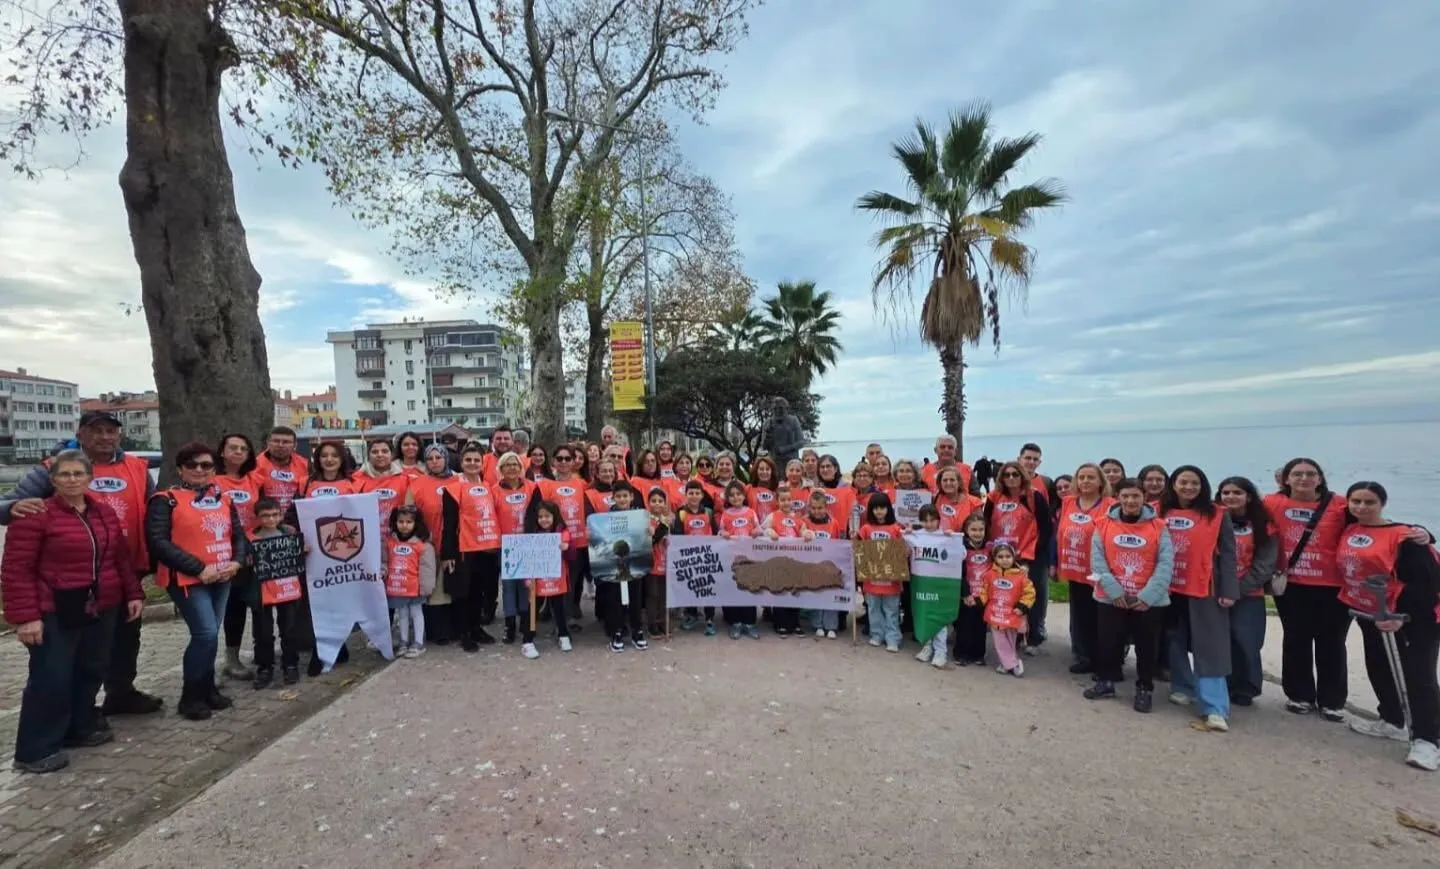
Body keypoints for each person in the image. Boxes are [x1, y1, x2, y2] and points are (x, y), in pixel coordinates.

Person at [0, 410, 162, 717]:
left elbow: (153, 512)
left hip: (125, 569)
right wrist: (13, 506)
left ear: (119, 435)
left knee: (125, 639)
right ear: (82, 433)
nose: (104, 437)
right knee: (80, 651)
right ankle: (73, 714)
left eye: (110, 431)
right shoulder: (54, 468)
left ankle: (121, 693)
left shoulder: (138, 468)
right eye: (96, 430)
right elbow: (5, 507)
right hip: (73, 581)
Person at [3, 451, 145, 774]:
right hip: (55, 607)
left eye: (77, 474)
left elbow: (119, 559)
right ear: (52, 481)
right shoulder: (35, 515)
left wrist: (133, 593)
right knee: (51, 676)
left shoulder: (103, 513)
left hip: (101, 604)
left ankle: (79, 727)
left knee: (91, 669)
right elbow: (16, 570)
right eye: (63, 475)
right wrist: (26, 617)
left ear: (89, 478)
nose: (71, 480)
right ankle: (35, 749)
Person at [1336, 481, 1440, 770]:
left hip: (1413, 617)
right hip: (1373, 613)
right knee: (1379, 667)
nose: (1361, 507)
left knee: (1418, 675)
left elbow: (1428, 581)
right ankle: (1392, 720)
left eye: (1369, 502)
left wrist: (1402, 614)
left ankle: (1428, 740)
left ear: (1382, 504)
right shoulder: (1352, 528)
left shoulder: (1405, 537)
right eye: (1356, 501)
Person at [147, 442, 250, 721]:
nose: (199, 470)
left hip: (223, 576)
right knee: (204, 633)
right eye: (192, 465)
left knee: (210, 635)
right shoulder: (164, 500)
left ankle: (207, 690)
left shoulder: (224, 499)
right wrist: (199, 568)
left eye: (206, 465)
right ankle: (190, 696)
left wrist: (237, 561)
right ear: (180, 469)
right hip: (187, 579)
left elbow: (238, 535)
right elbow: (158, 542)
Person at [1083, 479, 1174, 713]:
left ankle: (1145, 688)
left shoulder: (1159, 527)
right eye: (1125, 496)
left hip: (1147, 600)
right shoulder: (1102, 524)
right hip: (1111, 596)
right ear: (1117, 497)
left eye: (1135, 496)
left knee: (1146, 645)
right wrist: (1114, 591)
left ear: (1144, 497)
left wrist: (1148, 596)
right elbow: (1098, 560)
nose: (1130, 501)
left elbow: (1165, 564)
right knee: (1108, 641)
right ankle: (1106, 681)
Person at [1161, 465, 1239, 732]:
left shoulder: (1217, 514)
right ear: (1173, 484)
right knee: (1174, 638)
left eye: (1194, 483)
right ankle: (1183, 686)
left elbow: (1229, 554)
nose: (1188, 487)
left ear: (1203, 485)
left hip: (1204, 587)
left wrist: (1229, 590)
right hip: (1168, 587)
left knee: (1210, 647)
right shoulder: (1161, 511)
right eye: (1183, 482)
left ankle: (1215, 706)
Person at [1217, 476, 1278, 707]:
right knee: (1221, 640)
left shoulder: (1263, 524)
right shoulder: (1214, 519)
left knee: (1246, 641)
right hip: (1217, 591)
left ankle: (1247, 687)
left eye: (1237, 493)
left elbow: (1265, 564)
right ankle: (1223, 681)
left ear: (1249, 496)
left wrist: (1237, 590)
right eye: (1226, 493)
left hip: (1248, 592)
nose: (1231, 497)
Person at [985, 460, 1052, 654]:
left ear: (1022, 476)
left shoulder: (1034, 497)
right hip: (1003, 556)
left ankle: (1032, 638)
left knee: (1031, 596)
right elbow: (987, 522)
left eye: (1015, 474)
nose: (1011, 478)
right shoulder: (994, 497)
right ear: (1001, 478)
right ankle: (1010, 636)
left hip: (1029, 554)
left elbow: (1046, 527)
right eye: (1007, 475)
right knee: (1005, 596)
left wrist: (1033, 553)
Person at [440, 444, 502, 650]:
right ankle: (464, 632)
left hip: (486, 548)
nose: (472, 464)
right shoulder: (453, 489)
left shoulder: (488, 487)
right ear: (461, 462)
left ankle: (476, 627)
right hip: (463, 548)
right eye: (468, 460)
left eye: (476, 460)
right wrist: (448, 554)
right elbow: (448, 524)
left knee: (480, 591)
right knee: (463, 592)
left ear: (482, 462)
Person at [1055, 463, 1114, 675]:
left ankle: (1104, 660)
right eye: (1082, 477)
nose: (1086, 481)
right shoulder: (1069, 502)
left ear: (1100, 481)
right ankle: (1084, 656)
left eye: (1091, 477)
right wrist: (1056, 562)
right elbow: (1059, 533)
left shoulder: (1110, 505)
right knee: (1079, 615)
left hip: (1100, 571)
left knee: (1101, 617)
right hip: (1074, 567)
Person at [215, 432, 261, 683]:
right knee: (233, 607)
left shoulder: (255, 480)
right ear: (222, 451)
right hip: (225, 553)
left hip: (253, 552)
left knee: (257, 604)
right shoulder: (212, 480)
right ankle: (231, 658)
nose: (238, 452)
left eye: (243, 448)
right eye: (232, 448)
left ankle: (261, 651)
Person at [247, 498, 306, 688]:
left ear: (280, 515)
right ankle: (265, 667)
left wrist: (302, 550)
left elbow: (299, 553)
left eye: (274, 515)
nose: (270, 519)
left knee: (289, 629)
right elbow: (243, 558)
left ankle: (290, 664)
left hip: (286, 588)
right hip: (261, 591)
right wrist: (247, 560)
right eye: (265, 516)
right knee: (263, 632)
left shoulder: (289, 533)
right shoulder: (250, 538)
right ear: (257, 518)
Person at [537, 445, 591, 629]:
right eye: (559, 458)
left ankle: (568, 615)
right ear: (553, 461)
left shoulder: (583, 484)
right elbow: (540, 511)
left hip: (578, 540)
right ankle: (553, 611)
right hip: (554, 540)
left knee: (574, 580)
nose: (564, 462)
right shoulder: (545, 485)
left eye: (568, 458)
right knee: (553, 578)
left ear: (573, 461)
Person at [412, 444, 460, 645]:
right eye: (430, 458)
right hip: (429, 544)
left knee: (452, 587)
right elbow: (410, 514)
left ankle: (455, 628)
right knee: (433, 590)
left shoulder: (458, 480)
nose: (434, 462)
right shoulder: (417, 483)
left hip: (455, 542)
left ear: (446, 458)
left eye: (438, 457)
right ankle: (436, 631)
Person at [492, 452, 538, 645]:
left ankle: (525, 621)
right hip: (506, 545)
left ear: (521, 468)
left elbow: (537, 513)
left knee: (525, 585)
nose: (512, 468)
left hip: (527, 544)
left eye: (515, 464)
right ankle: (509, 624)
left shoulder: (532, 487)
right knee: (509, 586)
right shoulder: (493, 490)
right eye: (507, 465)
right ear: (501, 470)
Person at [599, 484, 649, 652]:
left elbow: (646, 537)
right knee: (614, 599)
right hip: (614, 566)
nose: (622, 499)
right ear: (613, 498)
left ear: (631, 497)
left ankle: (637, 630)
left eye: (625, 496)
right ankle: (617, 631)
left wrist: (649, 531)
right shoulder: (606, 518)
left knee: (635, 598)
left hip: (634, 564)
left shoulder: (639, 516)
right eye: (618, 496)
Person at [522, 500, 573, 657]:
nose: (544, 520)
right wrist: (527, 578)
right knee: (533, 610)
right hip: (537, 579)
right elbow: (526, 557)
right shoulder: (532, 535)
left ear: (555, 516)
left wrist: (566, 545)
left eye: (547, 516)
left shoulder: (562, 532)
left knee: (559, 608)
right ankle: (527, 641)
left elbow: (568, 541)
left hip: (556, 579)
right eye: (540, 516)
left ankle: (563, 635)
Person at [385, 506, 436, 658]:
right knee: (402, 615)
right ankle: (403, 641)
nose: (404, 525)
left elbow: (427, 568)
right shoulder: (390, 543)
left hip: (415, 588)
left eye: (408, 522)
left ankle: (418, 642)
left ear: (416, 524)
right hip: (398, 587)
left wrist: (426, 587)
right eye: (401, 521)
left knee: (416, 613)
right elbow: (385, 562)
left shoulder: (422, 545)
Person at [858, 493, 905, 652]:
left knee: (891, 610)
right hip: (871, 579)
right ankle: (877, 634)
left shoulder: (896, 529)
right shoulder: (865, 529)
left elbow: (904, 550)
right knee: (873, 609)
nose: (879, 511)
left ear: (888, 509)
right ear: (871, 510)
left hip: (891, 580)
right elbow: (858, 548)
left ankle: (893, 637)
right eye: (875, 508)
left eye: (882, 508)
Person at [979, 543, 1035, 677]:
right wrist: (979, 601)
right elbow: (984, 590)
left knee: (1010, 640)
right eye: (1000, 557)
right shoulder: (990, 575)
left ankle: (1007, 664)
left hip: (1012, 615)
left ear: (1014, 557)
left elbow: (1029, 593)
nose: (1004, 559)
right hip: (995, 614)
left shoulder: (1021, 576)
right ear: (995, 558)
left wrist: (1022, 606)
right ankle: (1012, 664)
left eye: (1008, 556)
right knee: (999, 641)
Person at [717, 480, 763, 640]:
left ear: (744, 495)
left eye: (739, 494)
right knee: (734, 590)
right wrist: (722, 533)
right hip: (732, 558)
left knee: (749, 589)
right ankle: (735, 623)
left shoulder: (751, 512)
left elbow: (758, 528)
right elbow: (721, 531)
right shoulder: (726, 514)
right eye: (732, 495)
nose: (736, 497)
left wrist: (757, 531)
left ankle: (750, 623)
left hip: (750, 558)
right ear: (728, 498)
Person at [911, 504, 954, 668]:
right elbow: (905, 549)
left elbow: (961, 553)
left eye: (932, 520)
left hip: (940, 584)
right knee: (924, 615)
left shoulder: (945, 535)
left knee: (939, 618)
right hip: (922, 583)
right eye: (925, 521)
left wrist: (952, 539)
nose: (929, 524)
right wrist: (907, 533)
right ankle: (927, 647)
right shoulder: (917, 535)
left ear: (938, 520)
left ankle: (941, 651)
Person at [800, 489, 847, 639]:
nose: (817, 511)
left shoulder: (834, 523)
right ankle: (818, 625)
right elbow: (801, 533)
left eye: (820, 508)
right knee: (817, 595)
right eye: (813, 508)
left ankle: (831, 626)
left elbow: (838, 543)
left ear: (826, 507)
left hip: (829, 565)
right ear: (809, 508)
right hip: (813, 565)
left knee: (830, 594)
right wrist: (804, 533)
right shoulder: (805, 521)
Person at [676, 480, 719, 635]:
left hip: (707, 557)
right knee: (691, 587)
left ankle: (709, 618)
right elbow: (678, 535)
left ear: (702, 495)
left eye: (697, 493)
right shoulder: (681, 513)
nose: (694, 496)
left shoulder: (708, 512)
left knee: (708, 588)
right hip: (689, 557)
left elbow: (715, 532)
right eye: (691, 493)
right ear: (686, 494)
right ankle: (692, 614)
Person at [763, 482, 804, 636]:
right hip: (778, 561)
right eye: (783, 500)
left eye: (789, 499)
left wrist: (807, 534)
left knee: (794, 592)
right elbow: (763, 529)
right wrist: (770, 531)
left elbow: (804, 531)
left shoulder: (798, 518)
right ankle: (779, 623)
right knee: (779, 591)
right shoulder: (772, 516)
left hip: (794, 561)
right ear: (778, 501)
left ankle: (795, 623)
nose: (786, 503)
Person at [954, 511, 991, 667]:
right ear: (966, 531)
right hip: (967, 594)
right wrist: (965, 594)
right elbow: (959, 573)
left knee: (980, 626)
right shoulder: (961, 548)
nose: (977, 533)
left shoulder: (990, 548)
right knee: (965, 625)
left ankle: (978, 654)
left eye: (980, 530)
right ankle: (961, 653)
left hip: (983, 595)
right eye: (973, 530)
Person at [252, 426, 309, 512]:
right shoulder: (254, 465)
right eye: (276, 441)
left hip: (296, 517)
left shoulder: (306, 465)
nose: (280, 445)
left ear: (295, 445)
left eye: (286, 442)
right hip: (266, 518)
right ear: (268, 443)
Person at [645, 487, 676, 636]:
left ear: (665, 503)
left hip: (667, 563)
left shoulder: (669, 520)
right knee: (653, 594)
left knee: (665, 595)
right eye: (653, 501)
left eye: (660, 501)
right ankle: (652, 623)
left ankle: (664, 621)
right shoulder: (645, 520)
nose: (657, 504)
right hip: (652, 563)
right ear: (648, 502)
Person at [764, 397, 804, 468]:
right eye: (775, 409)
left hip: (791, 463)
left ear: (786, 409)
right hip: (774, 463)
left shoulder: (793, 420)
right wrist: (768, 436)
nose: (778, 411)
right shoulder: (768, 422)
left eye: (780, 408)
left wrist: (785, 449)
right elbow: (764, 446)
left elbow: (801, 442)